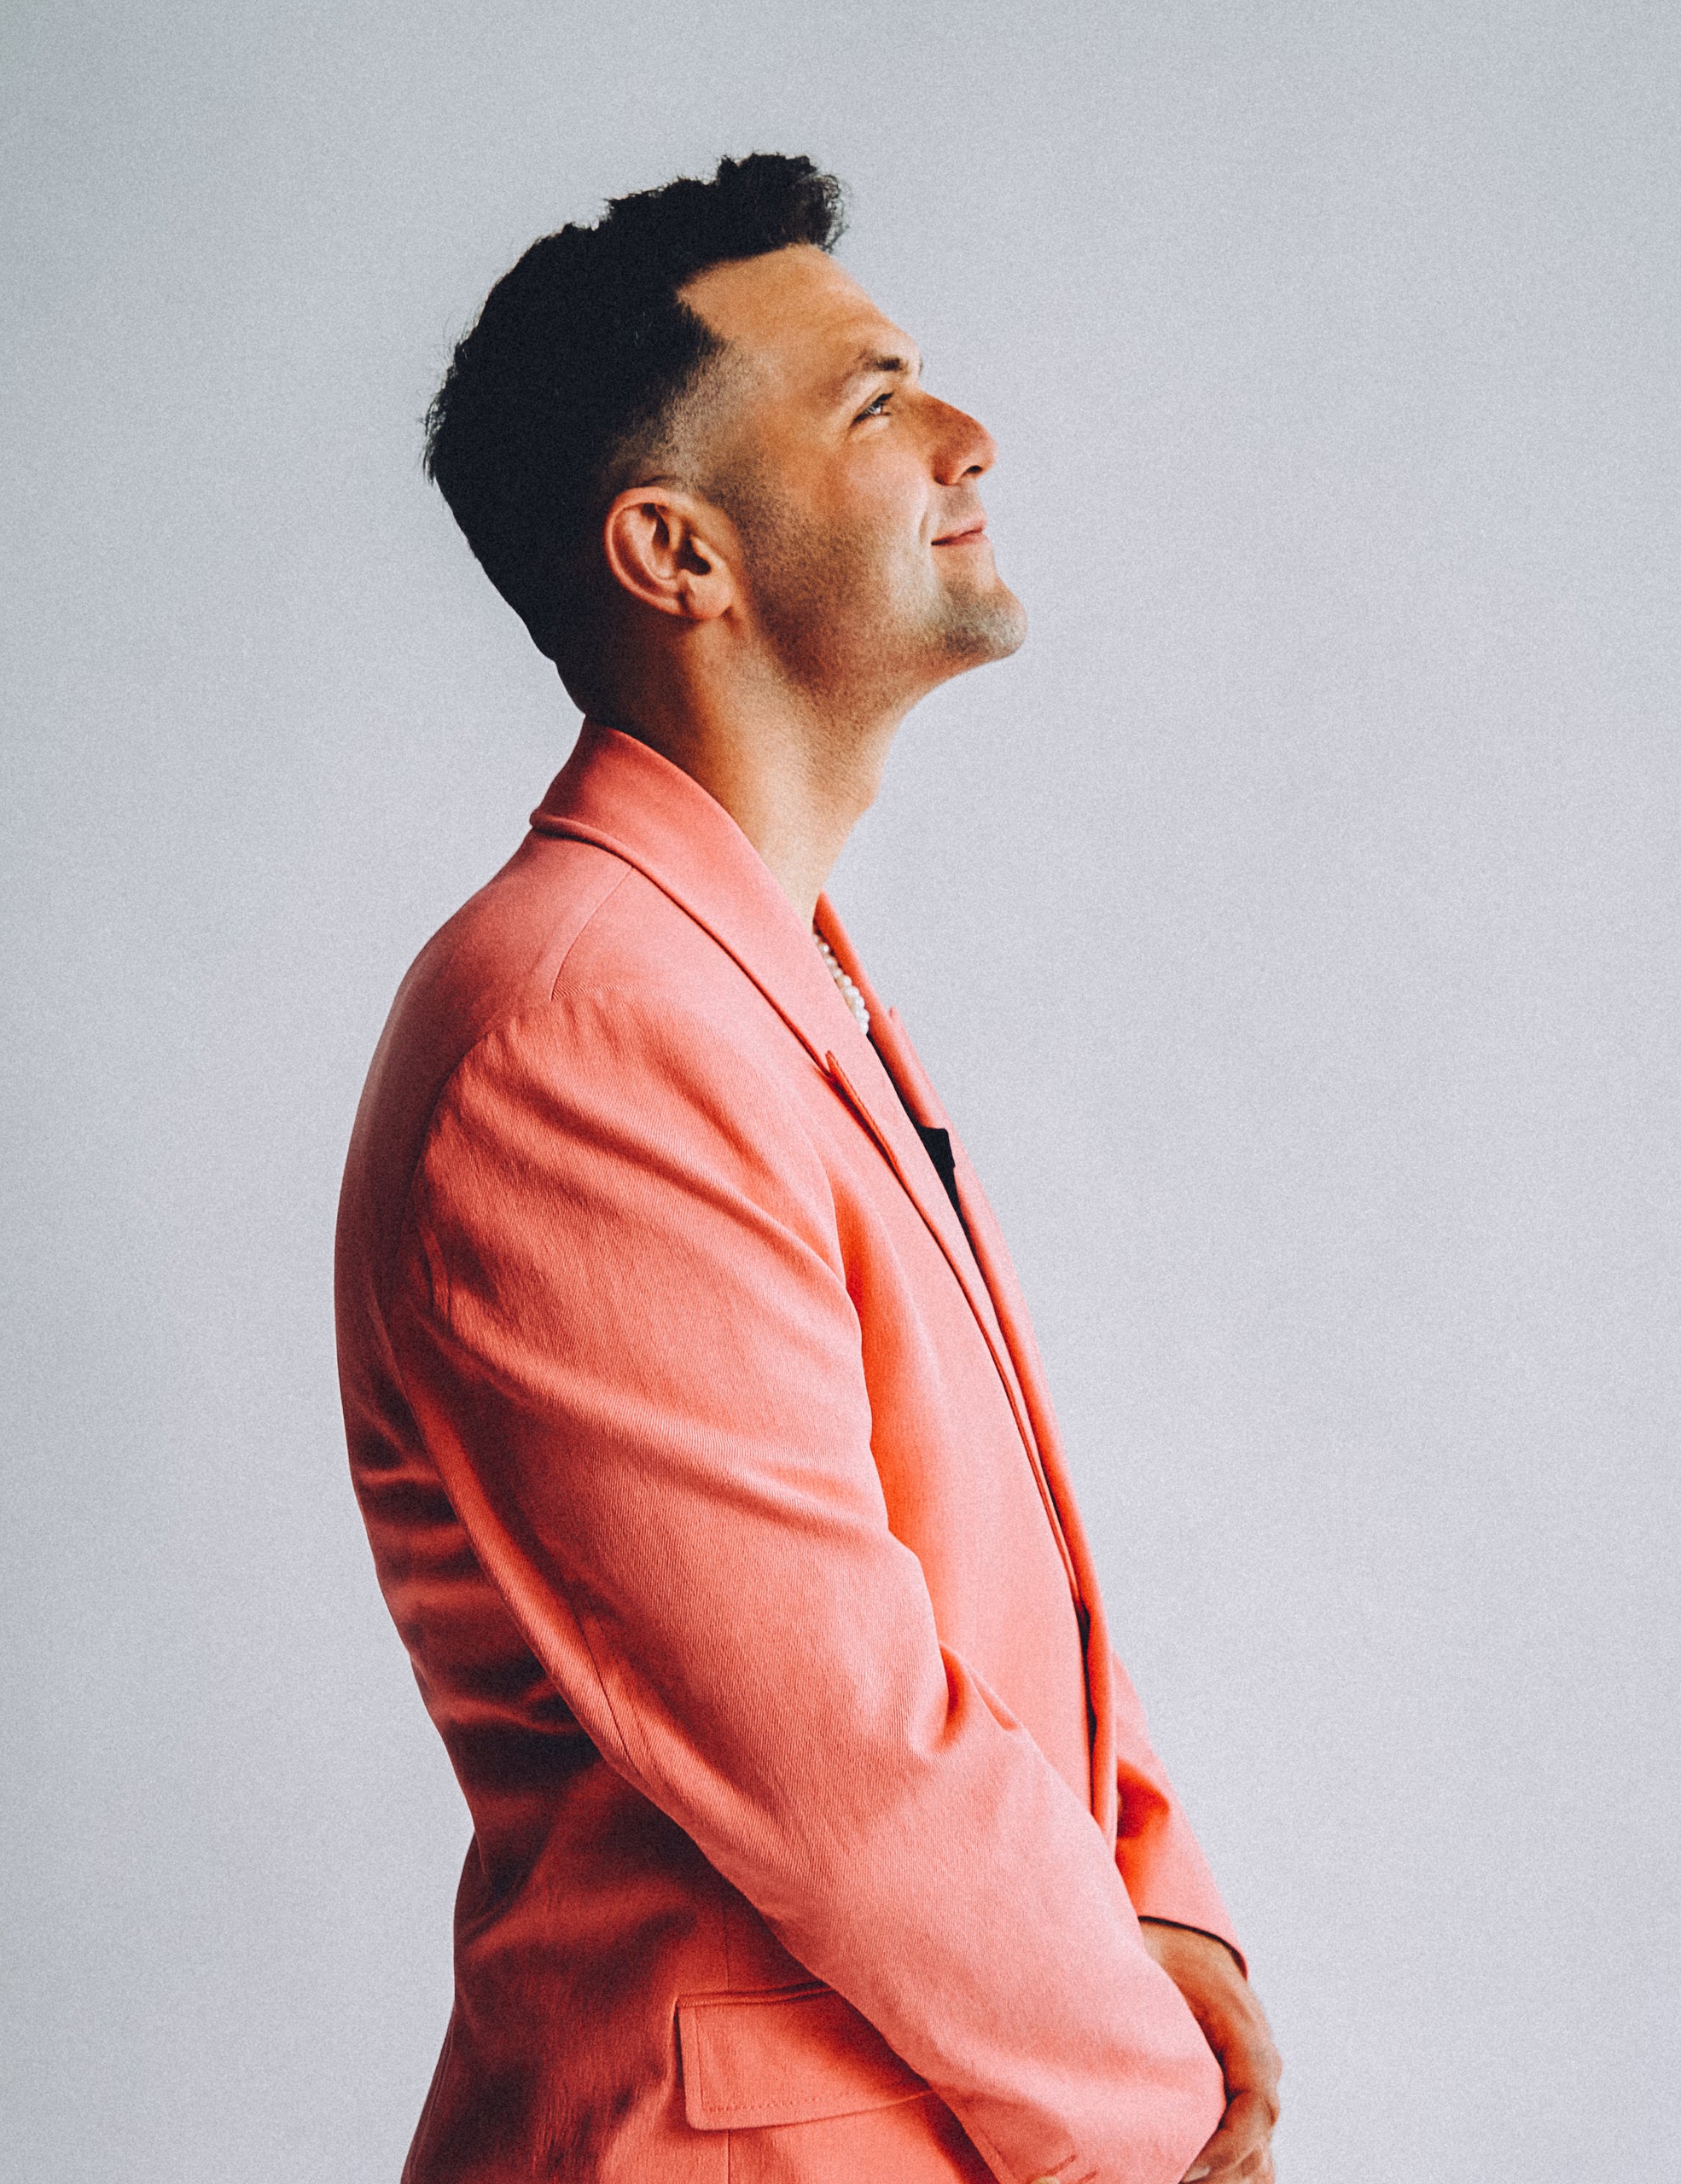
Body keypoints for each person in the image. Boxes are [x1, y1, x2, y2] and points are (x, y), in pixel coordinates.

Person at [335, 153, 1280, 2184]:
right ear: (677, 551)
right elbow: (843, 1749)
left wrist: (1157, 1886)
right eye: (873, 402)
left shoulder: (750, 980)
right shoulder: (576, 1030)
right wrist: (1161, 2110)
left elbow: (963, 1587)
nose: (967, 437)